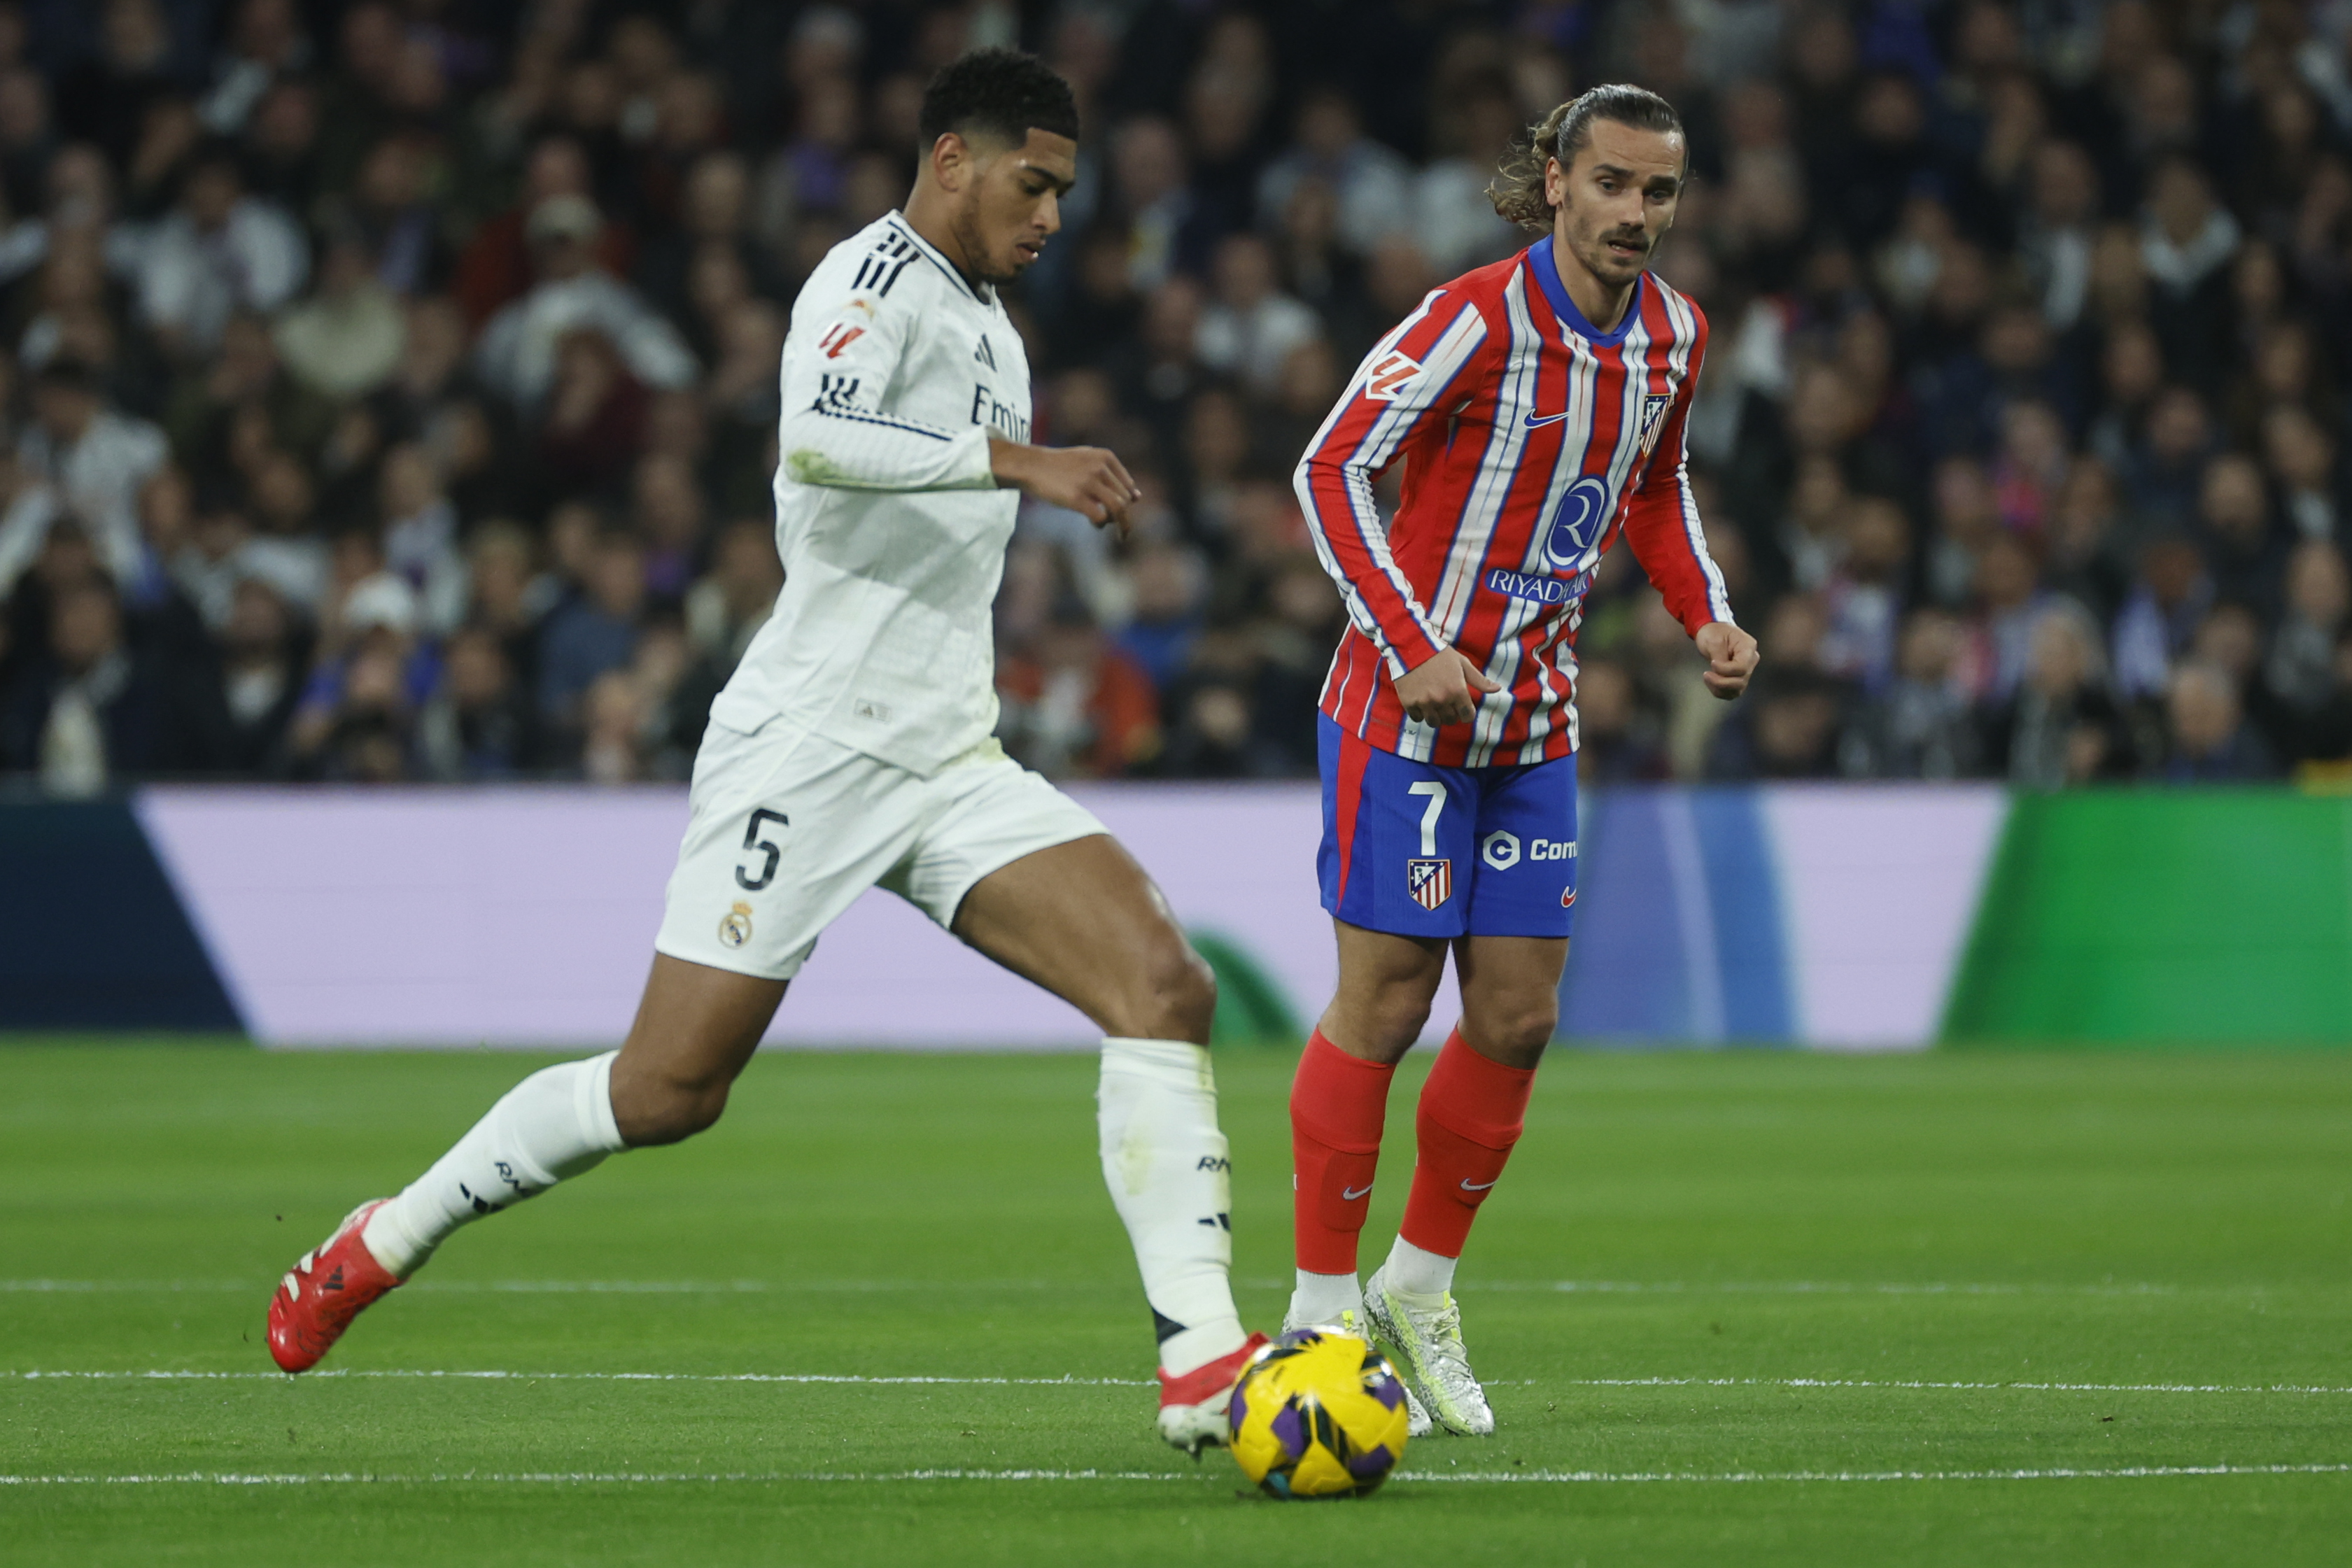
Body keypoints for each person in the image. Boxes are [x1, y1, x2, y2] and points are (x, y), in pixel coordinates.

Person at [265, 50, 1262, 1455]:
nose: (1051, 218)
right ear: (952, 159)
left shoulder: (992, 322)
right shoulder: (863, 282)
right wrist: (1019, 462)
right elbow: (819, 437)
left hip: (947, 753)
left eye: (1064, 194)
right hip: (807, 747)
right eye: (1033, 185)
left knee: (1165, 983)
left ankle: (1204, 1362)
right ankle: (383, 1234)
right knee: (668, 1090)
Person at [1285, 85, 1757, 1436]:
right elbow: (1329, 469)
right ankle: (1318, 1308)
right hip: (1405, 713)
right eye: (1611, 183)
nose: (1635, 215)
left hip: (1536, 719)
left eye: (1658, 192)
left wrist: (1702, 611)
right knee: (1380, 1006)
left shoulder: (1674, 336)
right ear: (1555, 181)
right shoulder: (1471, 317)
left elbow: (1653, 485)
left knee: (1518, 1017)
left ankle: (1415, 1288)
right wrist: (1413, 640)